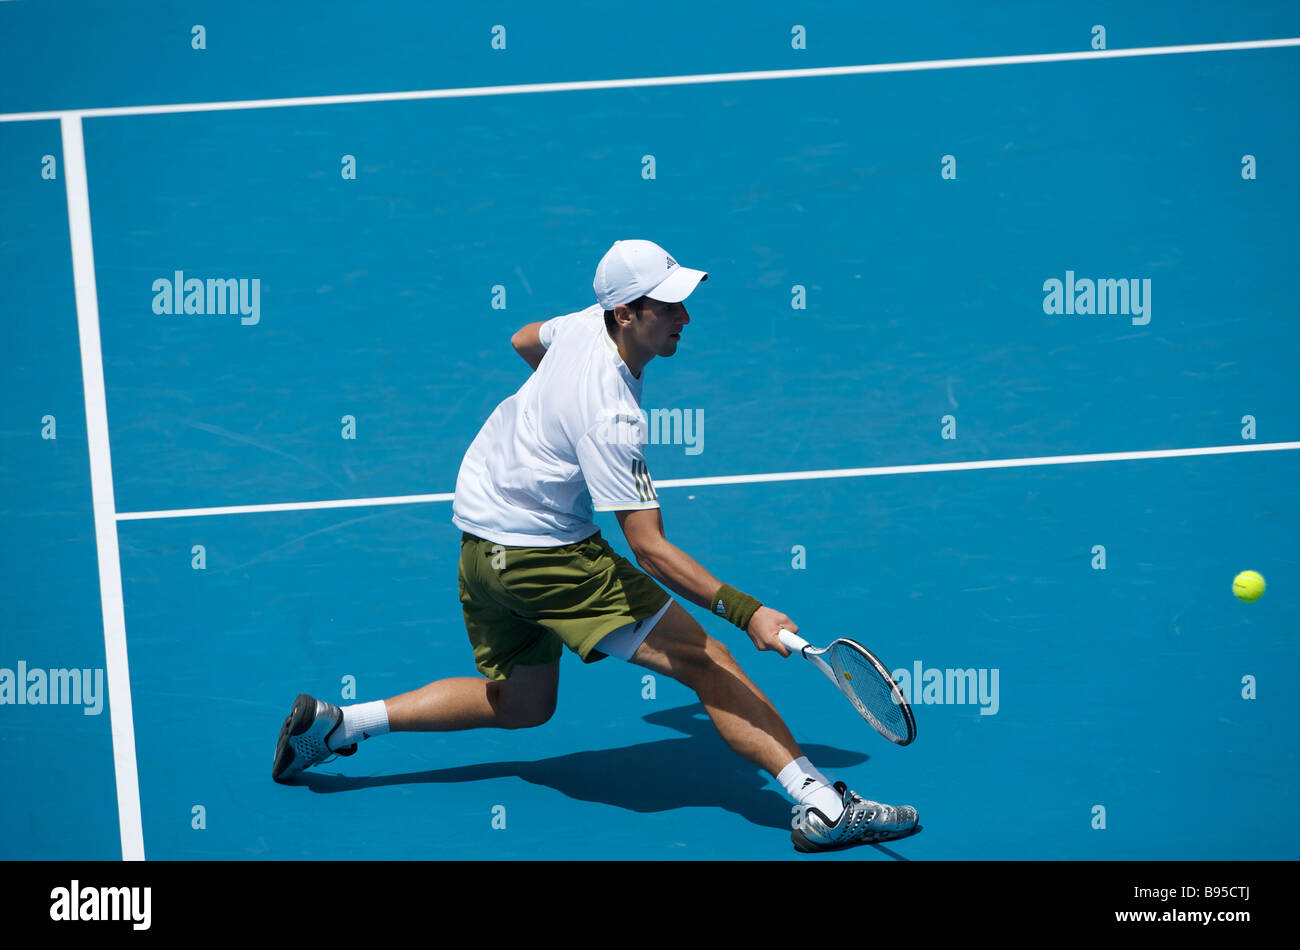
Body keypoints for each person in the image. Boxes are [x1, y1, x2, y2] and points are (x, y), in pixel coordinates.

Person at [271, 239, 919, 852]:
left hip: (481, 547)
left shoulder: (584, 325)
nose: (684, 317)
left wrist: (555, 421)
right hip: (549, 561)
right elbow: (651, 550)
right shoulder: (612, 416)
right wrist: (750, 612)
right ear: (627, 312)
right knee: (707, 660)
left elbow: (523, 337)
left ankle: (338, 724)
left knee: (525, 704)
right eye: (666, 306)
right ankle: (826, 809)